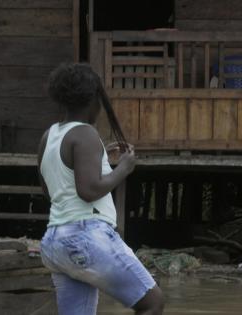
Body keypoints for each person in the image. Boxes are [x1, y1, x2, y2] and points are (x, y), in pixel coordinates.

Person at [38, 63, 165, 315]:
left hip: (55, 242)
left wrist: (100, 160)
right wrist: (124, 168)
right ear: (94, 100)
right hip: (85, 236)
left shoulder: (49, 135)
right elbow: (89, 190)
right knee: (153, 302)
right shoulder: (85, 133)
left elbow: (51, 189)